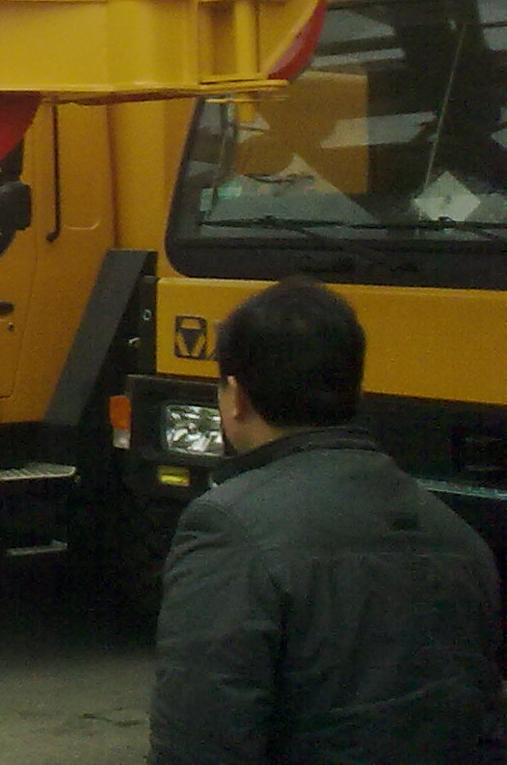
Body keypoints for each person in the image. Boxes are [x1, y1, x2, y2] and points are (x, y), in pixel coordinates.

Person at [149, 276, 505, 765]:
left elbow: (201, 735)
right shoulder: (457, 534)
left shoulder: (227, 528)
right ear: (357, 390)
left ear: (235, 397)